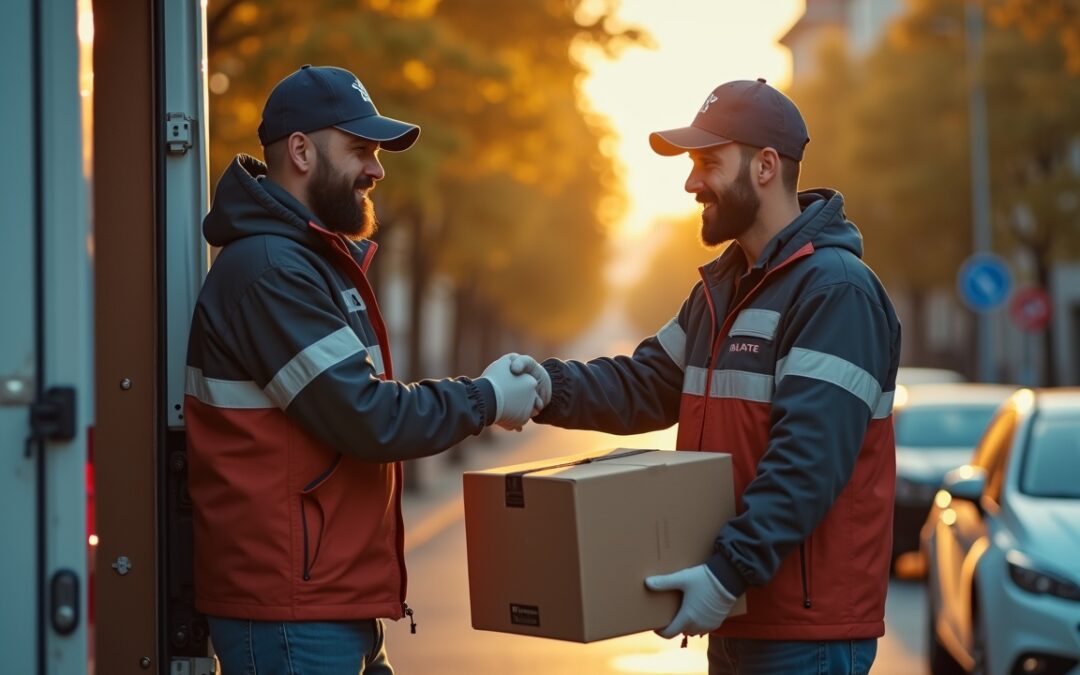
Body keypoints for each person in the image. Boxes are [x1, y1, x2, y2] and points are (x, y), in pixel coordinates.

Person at [514, 78, 900, 674]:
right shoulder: (721, 290)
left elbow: (809, 461)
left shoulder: (836, 292)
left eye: (708, 164)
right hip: (740, 616)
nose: (692, 183)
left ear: (765, 166)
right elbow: (644, 383)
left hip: (804, 635)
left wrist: (725, 574)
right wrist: (545, 387)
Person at [184, 65, 544, 675]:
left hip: (325, 602)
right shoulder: (272, 270)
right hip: (291, 614)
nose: (377, 170)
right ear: (301, 151)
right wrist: (485, 397)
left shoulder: (307, 261)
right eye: (360, 150)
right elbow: (367, 416)